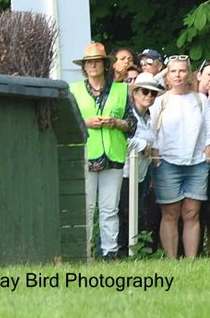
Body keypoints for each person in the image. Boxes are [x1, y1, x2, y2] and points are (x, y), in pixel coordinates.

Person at [68, 42, 136, 260]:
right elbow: (67, 123)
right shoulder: (74, 90)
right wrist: (86, 123)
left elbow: (132, 125)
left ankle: (110, 252)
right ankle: (82, 253)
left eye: (97, 62)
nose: (93, 66)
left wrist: (116, 122)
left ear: (105, 65)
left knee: (109, 209)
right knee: (85, 209)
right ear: (84, 67)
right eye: (89, 63)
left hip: (113, 156)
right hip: (86, 155)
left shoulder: (121, 90)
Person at [149, 55, 210, 258]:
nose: (178, 75)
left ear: (190, 73)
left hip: (197, 163)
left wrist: (208, 148)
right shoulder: (160, 101)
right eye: (173, 71)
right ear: (167, 74)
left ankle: (191, 260)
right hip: (167, 162)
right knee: (171, 213)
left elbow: (208, 127)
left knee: (192, 213)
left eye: (182, 70)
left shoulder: (200, 100)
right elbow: (152, 131)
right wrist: (155, 154)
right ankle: (171, 259)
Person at [117, 72, 163, 255]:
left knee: (137, 214)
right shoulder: (127, 113)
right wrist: (144, 145)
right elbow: (121, 139)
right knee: (124, 215)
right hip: (124, 172)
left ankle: (133, 252)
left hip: (141, 174)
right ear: (135, 92)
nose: (149, 96)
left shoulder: (148, 116)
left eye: (153, 93)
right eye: (145, 91)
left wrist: (150, 148)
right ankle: (118, 253)